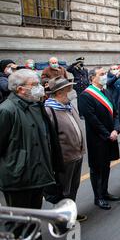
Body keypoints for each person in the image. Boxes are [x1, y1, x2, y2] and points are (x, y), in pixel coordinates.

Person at [0, 69, 62, 240]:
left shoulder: (35, 105)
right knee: (18, 222)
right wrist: (17, 164)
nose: (39, 88)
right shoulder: (6, 110)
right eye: (34, 85)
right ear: (20, 89)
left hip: (38, 173)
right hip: (17, 178)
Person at [44, 77, 86, 222]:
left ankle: (70, 213)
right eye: (69, 89)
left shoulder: (68, 105)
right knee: (63, 190)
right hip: (64, 159)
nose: (72, 91)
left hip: (77, 154)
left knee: (73, 187)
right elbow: (48, 139)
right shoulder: (49, 110)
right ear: (60, 92)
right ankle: (60, 218)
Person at [78, 67, 120, 210]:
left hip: (111, 135)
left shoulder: (106, 91)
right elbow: (92, 120)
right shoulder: (86, 95)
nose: (104, 76)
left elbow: (115, 113)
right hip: (98, 139)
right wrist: (107, 133)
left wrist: (115, 129)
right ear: (92, 78)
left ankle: (105, 191)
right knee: (97, 168)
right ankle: (98, 197)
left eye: (104, 74)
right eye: (101, 74)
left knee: (106, 166)